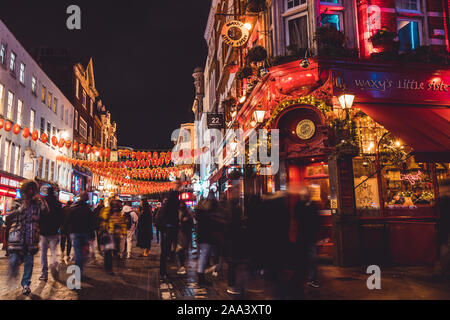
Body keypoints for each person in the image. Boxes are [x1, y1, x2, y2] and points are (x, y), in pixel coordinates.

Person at [6, 180, 45, 295]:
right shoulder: (17, 202)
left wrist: (42, 200)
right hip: (17, 237)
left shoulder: (37, 204)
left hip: (31, 238)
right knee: (14, 260)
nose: (30, 192)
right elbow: (9, 217)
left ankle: (26, 284)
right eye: (29, 189)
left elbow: (45, 214)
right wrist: (20, 210)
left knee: (29, 262)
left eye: (32, 190)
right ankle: (13, 273)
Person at [195, 190, 226, 287]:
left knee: (204, 256)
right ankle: (201, 278)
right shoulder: (209, 212)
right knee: (204, 257)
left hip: (203, 236)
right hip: (207, 237)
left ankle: (203, 275)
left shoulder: (201, 211)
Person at [295, 186, 320, 289]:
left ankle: (312, 279)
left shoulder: (313, 206)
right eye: (301, 195)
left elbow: (316, 221)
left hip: (310, 237)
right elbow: (297, 217)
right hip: (301, 237)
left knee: (312, 259)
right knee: (302, 259)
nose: (302, 196)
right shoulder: (299, 205)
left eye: (304, 195)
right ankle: (302, 278)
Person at [39, 185, 63, 281]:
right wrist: (59, 229)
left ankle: (44, 274)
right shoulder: (58, 204)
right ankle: (54, 264)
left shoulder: (42, 203)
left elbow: (39, 216)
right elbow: (61, 218)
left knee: (43, 253)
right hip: (54, 231)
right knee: (53, 252)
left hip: (43, 231)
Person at [67, 191, 95, 276]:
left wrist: (67, 231)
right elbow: (91, 223)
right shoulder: (88, 209)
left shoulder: (73, 208)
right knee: (83, 252)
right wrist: (92, 234)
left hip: (75, 232)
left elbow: (68, 220)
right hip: (84, 233)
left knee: (78, 252)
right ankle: (79, 271)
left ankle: (78, 270)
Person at [157, 181, 181, 279]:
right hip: (168, 230)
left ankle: (164, 271)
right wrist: (175, 190)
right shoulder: (169, 206)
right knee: (166, 251)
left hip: (168, 230)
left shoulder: (166, 206)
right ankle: (163, 272)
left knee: (167, 251)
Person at [99, 199, 127, 275]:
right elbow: (103, 217)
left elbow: (123, 223)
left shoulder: (120, 214)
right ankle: (109, 269)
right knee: (108, 253)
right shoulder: (106, 211)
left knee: (117, 252)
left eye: (116, 205)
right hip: (108, 234)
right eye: (113, 205)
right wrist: (109, 211)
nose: (115, 207)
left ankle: (118, 268)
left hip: (116, 235)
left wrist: (123, 233)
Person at [176, 202, 193, 275]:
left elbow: (191, 224)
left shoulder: (188, 214)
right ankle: (182, 264)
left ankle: (183, 265)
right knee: (180, 249)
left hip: (185, 233)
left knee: (183, 249)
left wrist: (185, 221)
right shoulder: (176, 212)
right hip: (179, 233)